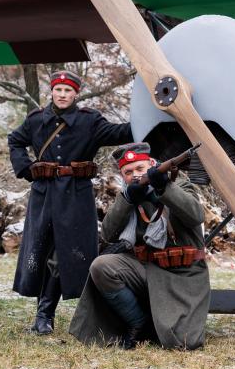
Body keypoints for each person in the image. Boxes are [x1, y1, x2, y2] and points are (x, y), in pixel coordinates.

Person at [8, 70, 132, 335]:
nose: (62, 95)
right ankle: (43, 315)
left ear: (76, 93)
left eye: (68, 90)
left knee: (63, 251)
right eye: (58, 90)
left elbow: (121, 132)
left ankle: (45, 315)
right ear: (51, 91)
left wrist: (152, 119)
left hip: (76, 196)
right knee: (43, 250)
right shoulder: (36, 120)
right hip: (44, 195)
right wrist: (27, 169)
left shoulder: (90, 121)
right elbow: (15, 140)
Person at [69, 142, 209, 350]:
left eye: (140, 169)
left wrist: (164, 189)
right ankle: (137, 323)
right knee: (102, 266)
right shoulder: (128, 194)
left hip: (182, 274)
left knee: (181, 342)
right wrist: (126, 200)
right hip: (147, 270)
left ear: (151, 165)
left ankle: (158, 326)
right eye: (128, 172)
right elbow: (108, 234)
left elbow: (196, 215)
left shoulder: (178, 183)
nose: (134, 175)